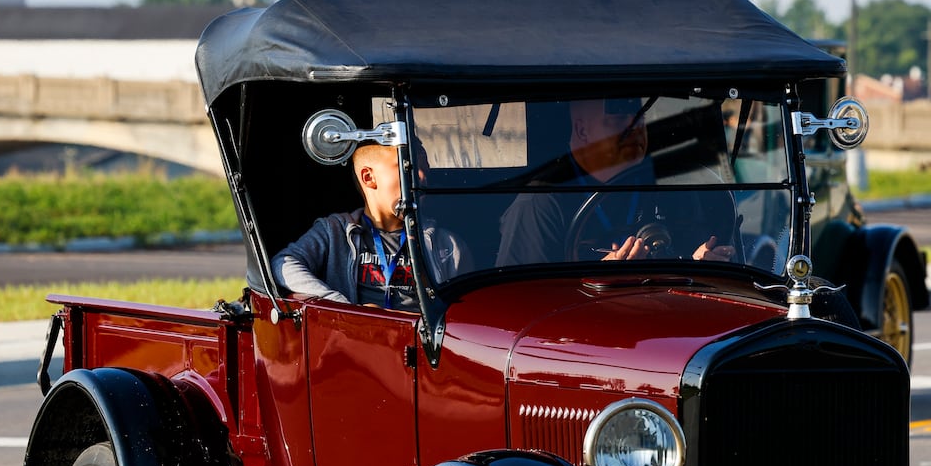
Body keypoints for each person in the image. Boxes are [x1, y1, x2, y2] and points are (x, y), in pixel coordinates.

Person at [496, 97, 735, 266]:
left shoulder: (669, 187)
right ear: (582, 131)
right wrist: (597, 279)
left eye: (641, 118)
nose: (636, 128)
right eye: (619, 118)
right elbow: (522, 305)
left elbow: (691, 252)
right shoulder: (541, 203)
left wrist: (702, 262)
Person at [272, 143, 465, 310]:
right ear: (368, 177)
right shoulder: (335, 230)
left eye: (426, 168)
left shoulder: (446, 244)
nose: (422, 177)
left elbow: (461, 312)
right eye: (409, 168)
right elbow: (283, 264)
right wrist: (344, 308)